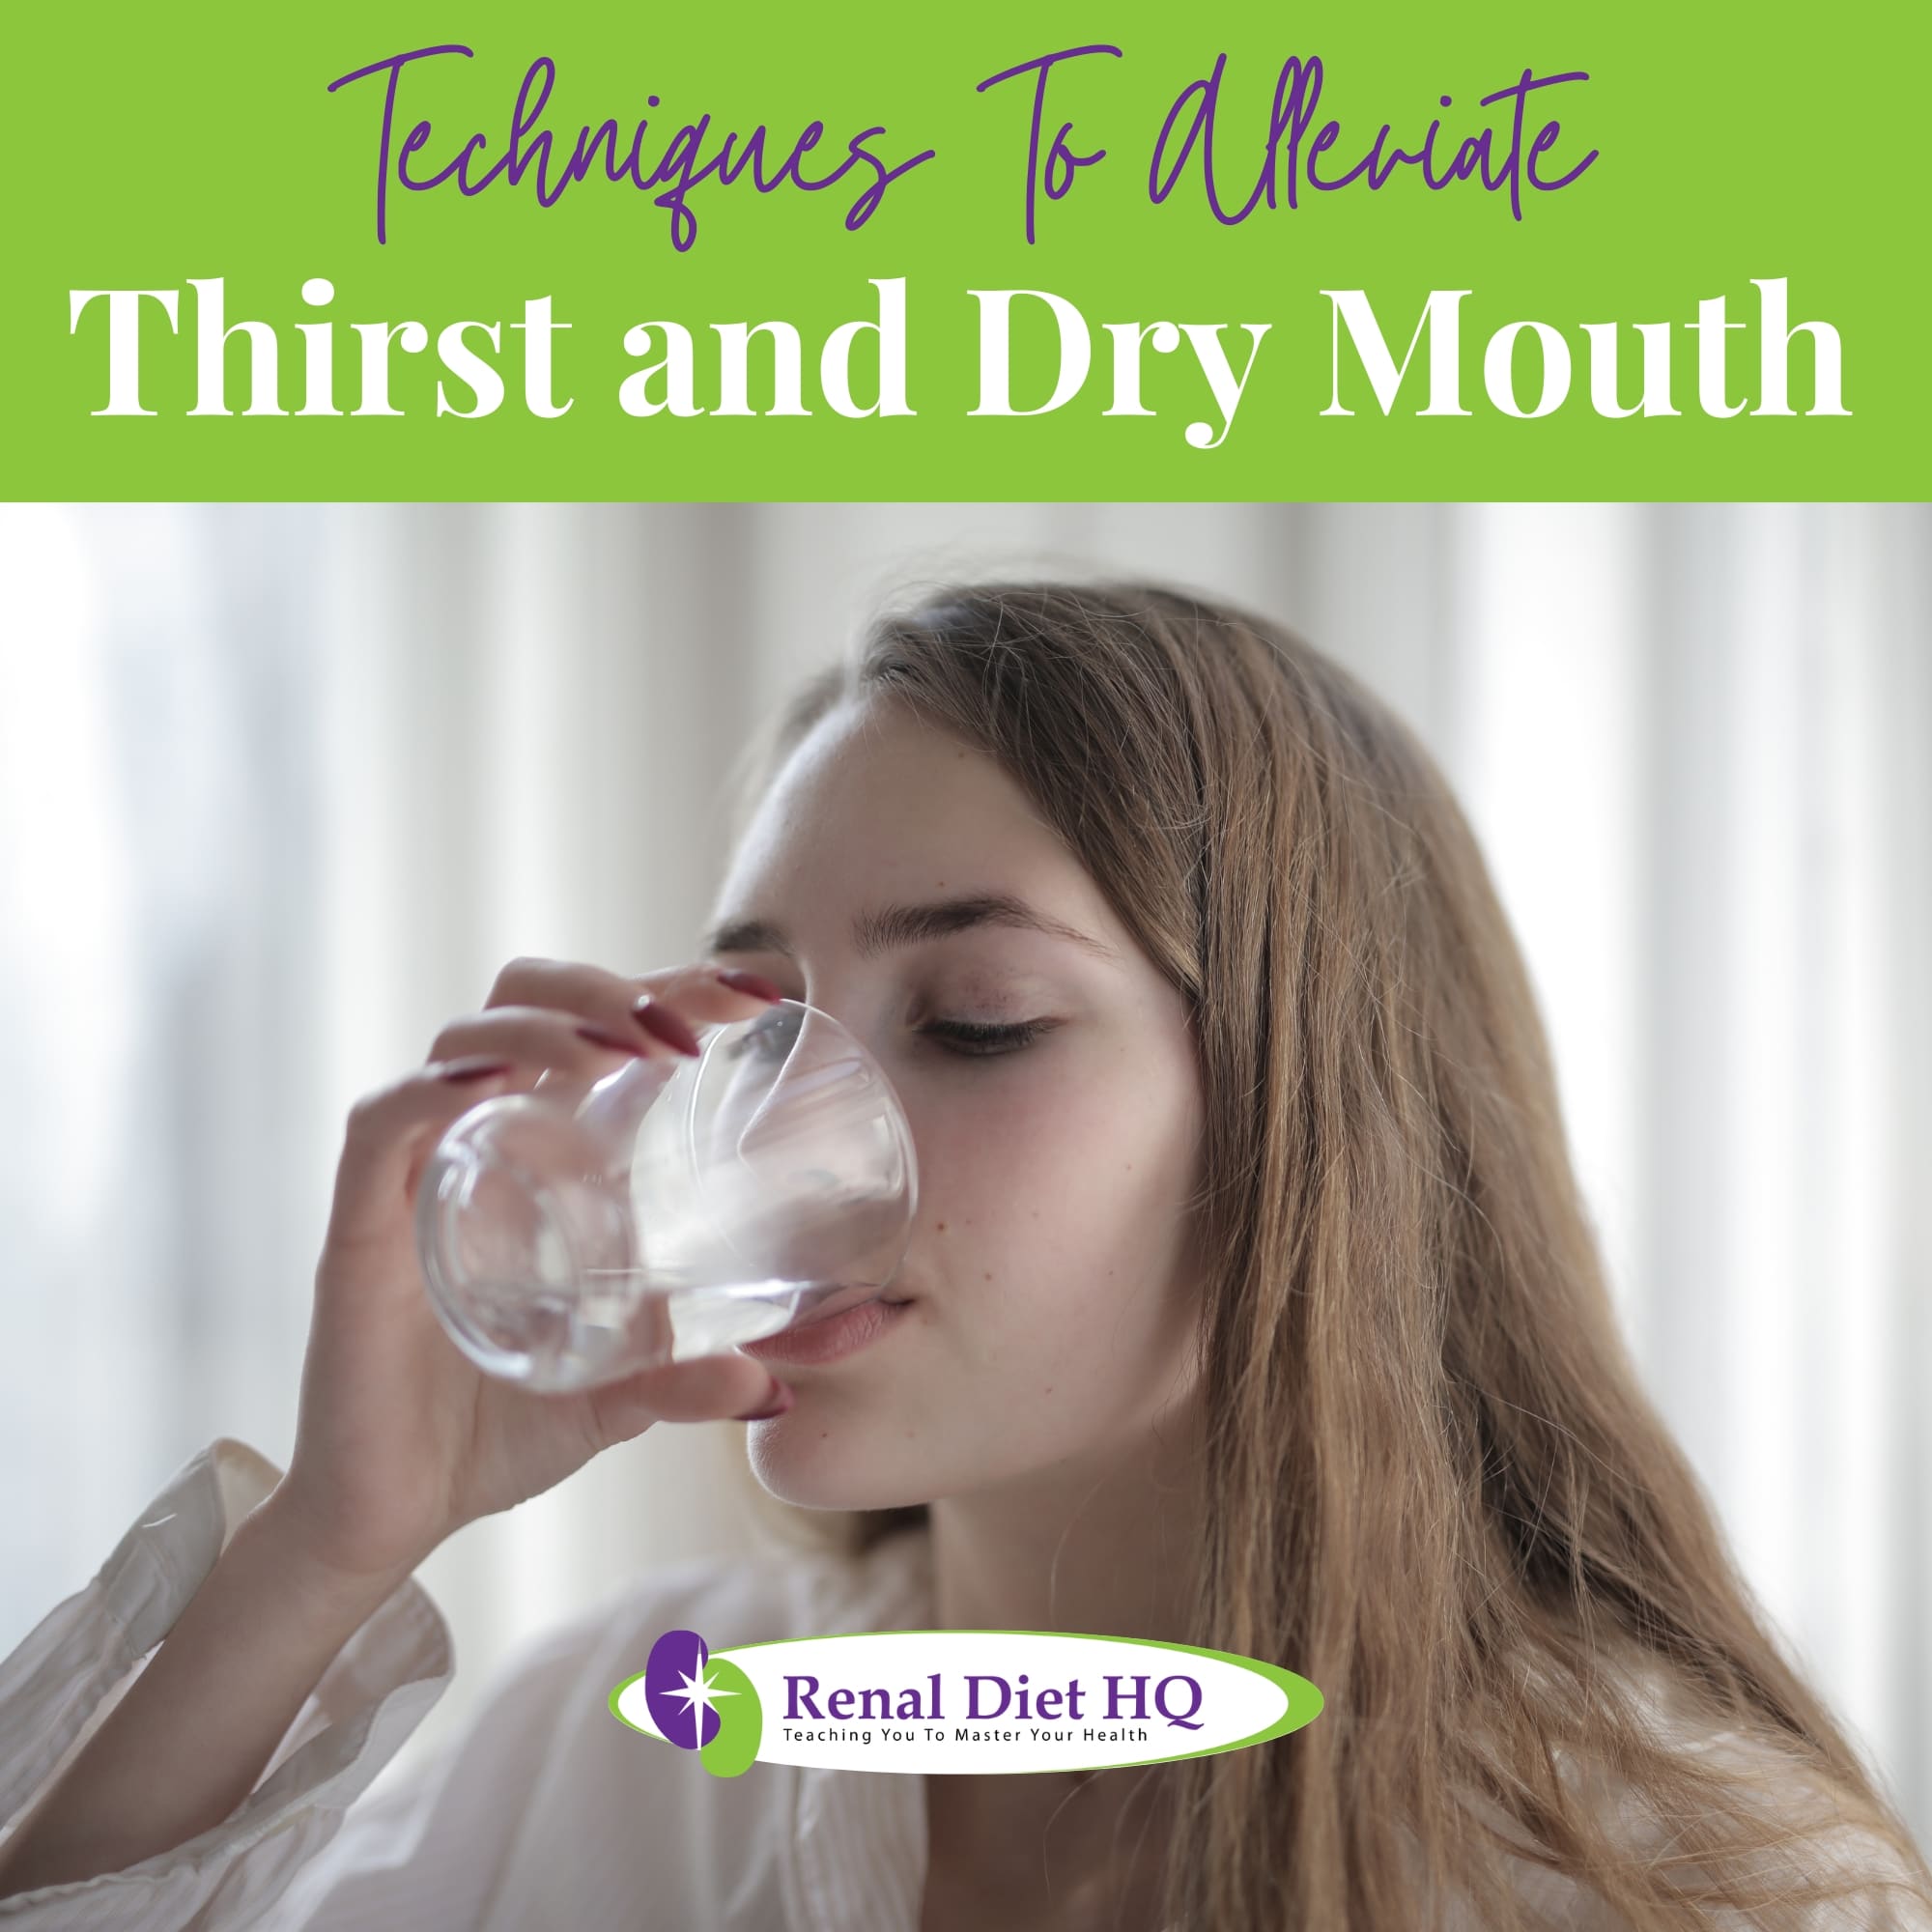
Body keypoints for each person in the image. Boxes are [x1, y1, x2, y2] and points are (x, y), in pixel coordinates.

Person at [0, 580, 1928, 1931]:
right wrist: (330, 1545)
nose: (769, 1121)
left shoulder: (1689, 1883)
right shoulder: (630, 1750)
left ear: (1306, 1124)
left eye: (979, 1016)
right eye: (746, 1022)